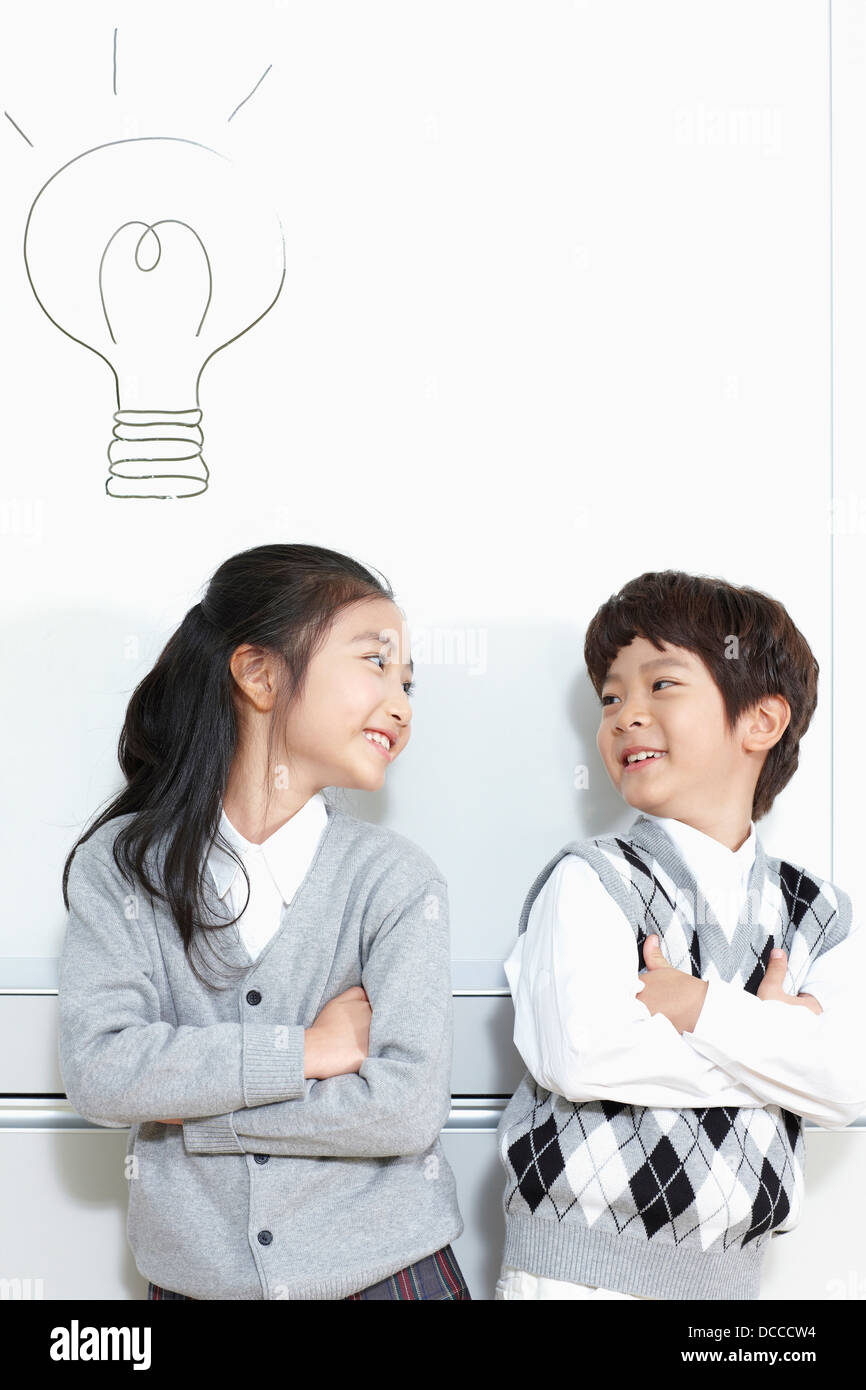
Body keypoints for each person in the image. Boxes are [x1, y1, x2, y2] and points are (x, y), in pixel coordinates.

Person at [58, 542, 469, 1301]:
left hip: (393, 1279)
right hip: (194, 1286)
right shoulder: (121, 868)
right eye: (375, 664)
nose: (403, 703)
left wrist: (201, 1122)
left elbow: (405, 1108)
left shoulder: (398, 882)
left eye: (408, 682)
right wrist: (306, 1051)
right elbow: (103, 1071)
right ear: (259, 673)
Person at [496, 569, 866, 1301]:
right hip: (574, 1278)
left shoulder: (818, 910)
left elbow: (847, 1081)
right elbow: (584, 1053)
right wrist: (778, 1058)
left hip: (731, 1289)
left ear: (760, 722)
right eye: (610, 697)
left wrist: (699, 1006)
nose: (625, 714)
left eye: (660, 685)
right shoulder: (593, 878)